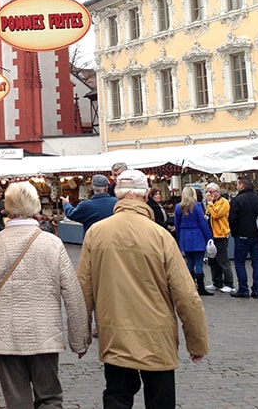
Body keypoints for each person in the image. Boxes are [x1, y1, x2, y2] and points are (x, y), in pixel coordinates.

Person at [77, 169, 208, 409]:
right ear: (146, 194)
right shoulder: (160, 236)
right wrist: (196, 342)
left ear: (116, 194)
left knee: (117, 395)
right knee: (160, 398)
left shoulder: (96, 233)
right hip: (157, 334)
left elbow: (83, 291)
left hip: (114, 332)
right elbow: (187, 295)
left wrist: (80, 339)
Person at [0, 181, 91, 409]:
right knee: (50, 397)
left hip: (3, 334)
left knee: (17, 400)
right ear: (36, 208)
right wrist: (79, 339)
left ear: (8, 207)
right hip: (44, 332)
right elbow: (73, 294)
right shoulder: (53, 244)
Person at [228, 174, 258, 299]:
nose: (236, 187)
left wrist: (235, 233)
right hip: (256, 235)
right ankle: (256, 290)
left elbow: (232, 219)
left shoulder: (237, 200)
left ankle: (243, 289)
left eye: (237, 184)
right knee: (256, 262)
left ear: (242, 185)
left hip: (242, 235)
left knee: (240, 262)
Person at [174, 186, 214, 296]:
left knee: (189, 262)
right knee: (199, 263)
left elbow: (176, 224)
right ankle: (201, 288)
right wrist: (209, 238)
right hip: (197, 236)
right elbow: (203, 223)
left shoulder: (178, 207)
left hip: (185, 236)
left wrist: (179, 238)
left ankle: (190, 287)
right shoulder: (197, 207)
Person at [203, 183, 234, 293]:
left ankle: (229, 283)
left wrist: (210, 204)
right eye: (207, 192)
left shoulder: (223, 203)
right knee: (213, 260)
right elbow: (210, 215)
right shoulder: (212, 203)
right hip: (212, 235)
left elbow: (216, 214)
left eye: (210, 192)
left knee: (223, 260)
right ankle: (217, 282)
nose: (208, 194)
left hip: (220, 235)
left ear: (217, 192)